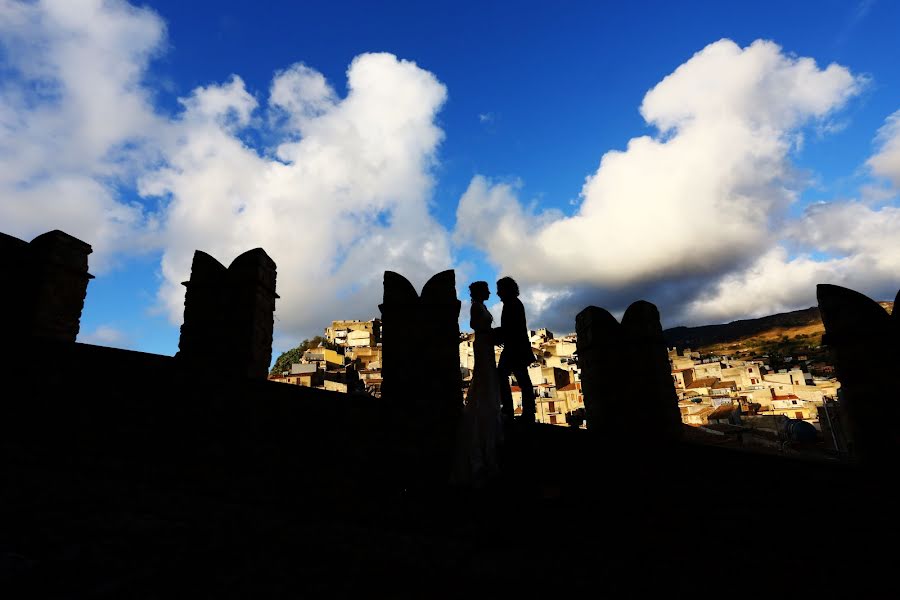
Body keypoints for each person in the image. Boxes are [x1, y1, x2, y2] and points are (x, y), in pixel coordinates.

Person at [451, 281, 503, 487]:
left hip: (486, 343)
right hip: (482, 343)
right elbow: (474, 325)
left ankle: (487, 406)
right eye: (487, 290)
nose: (490, 292)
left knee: (487, 376)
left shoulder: (481, 306)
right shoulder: (475, 307)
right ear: (480, 292)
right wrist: (490, 333)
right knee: (484, 376)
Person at [494, 276, 536, 425]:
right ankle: (526, 413)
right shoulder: (513, 303)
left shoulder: (512, 304)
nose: (497, 293)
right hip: (516, 348)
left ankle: (510, 411)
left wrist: (495, 335)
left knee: (507, 376)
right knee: (521, 379)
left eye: (499, 290)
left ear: (506, 289)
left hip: (515, 348)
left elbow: (511, 328)